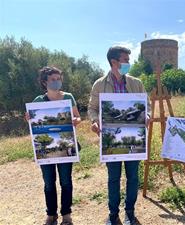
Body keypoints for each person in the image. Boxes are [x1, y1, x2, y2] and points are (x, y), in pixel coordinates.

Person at [88, 46, 149, 225]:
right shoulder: (99, 84)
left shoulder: (136, 83)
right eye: (125, 60)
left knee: (133, 177)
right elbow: (92, 108)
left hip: (134, 139)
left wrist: (147, 115)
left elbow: (147, 104)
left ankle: (130, 212)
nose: (128, 64)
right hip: (111, 140)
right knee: (113, 178)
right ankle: (113, 214)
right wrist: (94, 121)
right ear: (114, 62)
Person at [26, 66, 81, 225]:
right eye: (53, 79)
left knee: (66, 181)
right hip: (45, 150)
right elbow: (33, 122)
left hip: (66, 147)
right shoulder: (38, 101)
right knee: (49, 183)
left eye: (59, 79)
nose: (57, 82)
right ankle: (51, 214)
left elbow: (77, 117)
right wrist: (28, 118)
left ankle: (66, 214)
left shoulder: (69, 97)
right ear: (45, 82)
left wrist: (75, 121)